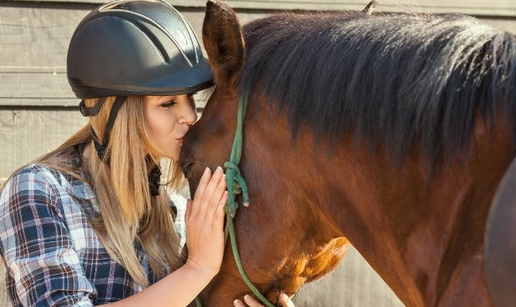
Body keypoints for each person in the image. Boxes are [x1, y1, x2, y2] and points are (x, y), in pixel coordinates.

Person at [0, 0, 295, 306]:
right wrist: (197, 269)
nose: (190, 116)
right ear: (119, 114)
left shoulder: (178, 212)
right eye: (167, 104)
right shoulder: (39, 191)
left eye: (188, 99)